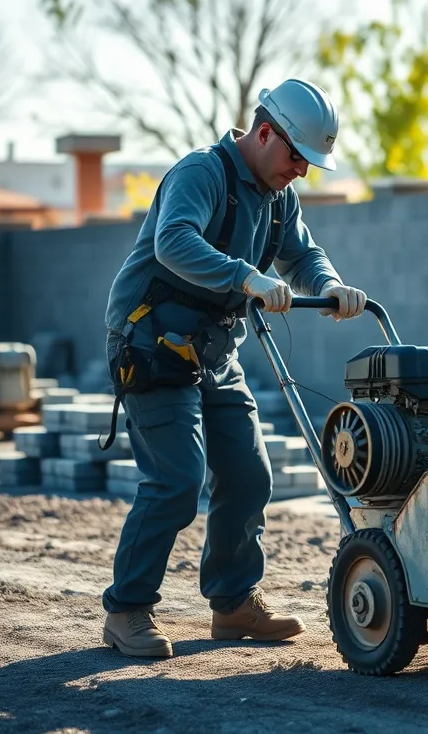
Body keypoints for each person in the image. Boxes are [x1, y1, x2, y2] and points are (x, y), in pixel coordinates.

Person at [99, 78, 367, 659]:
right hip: (151, 344)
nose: (301, 170)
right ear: (264, 132)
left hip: (214, 350)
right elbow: (173, 242)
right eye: (297, 156)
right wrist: (245, 277)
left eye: (310, 163)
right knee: (176, 480)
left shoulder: (280, 197)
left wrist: (329, 285)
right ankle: (126, 611)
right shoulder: (201, 173)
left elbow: (302, 254)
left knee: (249, 474)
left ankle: (232, 603)